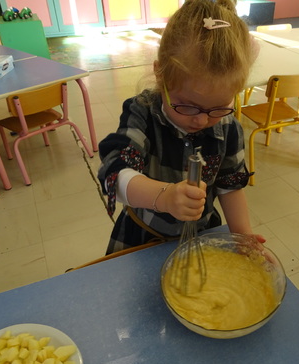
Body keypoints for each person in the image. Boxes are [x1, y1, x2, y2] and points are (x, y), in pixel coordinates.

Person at [97, 0, 262, 254]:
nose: (201, 120)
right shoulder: (141, 112)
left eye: (218, 108)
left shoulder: (228, 127)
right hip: (142, 238)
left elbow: (230, 188)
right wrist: (163, 197)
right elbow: (115, 175)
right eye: (187, 106)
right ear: (160, 74)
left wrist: (244, 238)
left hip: (202, 235)